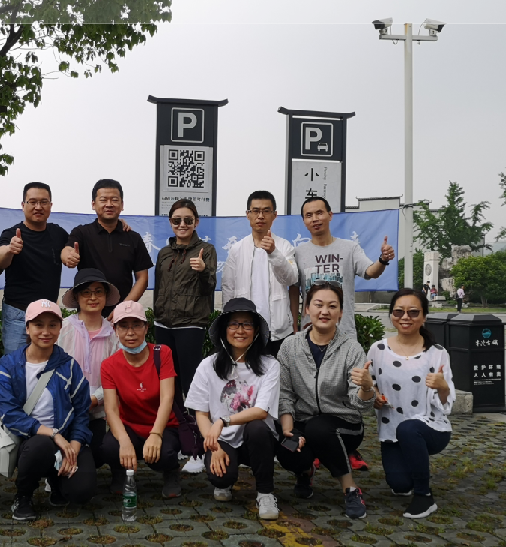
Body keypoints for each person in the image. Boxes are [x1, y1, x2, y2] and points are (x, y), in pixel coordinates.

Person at [276, 282, 376, 520]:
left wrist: (366, 387)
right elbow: (284, 392)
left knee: (319, 428)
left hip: (345, 425)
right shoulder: (290, 346)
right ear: (307, 309)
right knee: (287, 450)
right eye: (318, 305)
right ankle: (305, 471)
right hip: (303, 421)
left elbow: (360, 404)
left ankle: (350, 489)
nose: (325, 311)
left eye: (332, 306)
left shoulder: (351, 349)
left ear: (340, 312)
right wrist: (289, 430)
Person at [0, 299, 96, 521]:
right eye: (38, 325)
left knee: (81, 492)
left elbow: (81, 411)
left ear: (60, 328)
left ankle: (57, 482)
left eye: (52, 325)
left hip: (67, 438)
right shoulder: (8, 365)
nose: (45, 331)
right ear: (27, 328)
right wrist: (53, 434)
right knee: (40, 446)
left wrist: (74, 448)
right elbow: (10, 414)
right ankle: (23, 496)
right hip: (29, 441)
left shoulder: (69, 365)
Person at [184, 298, 282, 521]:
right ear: (224, 330)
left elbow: (261, 411)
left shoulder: (270, 365)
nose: (240, 330)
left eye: (247, 324)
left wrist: (222, 420)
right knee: (220, 478)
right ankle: (225, 480)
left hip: (255, 439)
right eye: (234, 324)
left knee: (257, 428)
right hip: (222, 439)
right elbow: (201, 413)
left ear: (256, 331)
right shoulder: (208, 365)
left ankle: (265, 493)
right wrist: (214, 445)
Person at [368, 289, 455, 519]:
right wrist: (374, 395)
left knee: (409, 429)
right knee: (399, 485)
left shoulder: (437, 353)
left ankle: (424, 497)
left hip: (431, 427)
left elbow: (446, 404)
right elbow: (370, 384)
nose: (405, 317)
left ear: (424, 316)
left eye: (413, 312)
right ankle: (410, 469)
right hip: (391, 429)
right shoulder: (378, 349)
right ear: (391, 315)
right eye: (399, 311)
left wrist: (443, 387)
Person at [153, 199, 218, 475]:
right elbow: (158, 288)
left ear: (196, 222)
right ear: (170, 223)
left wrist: (203, 271)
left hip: (190, 325)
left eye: (188, 220)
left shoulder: (206, 250)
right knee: (168, 385)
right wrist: (156, 316)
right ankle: (180, 440)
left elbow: (210, 286)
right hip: (163, 325)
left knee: (192, 387)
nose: (182, 225)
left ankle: (198, 448)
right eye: (177, 220)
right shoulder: (164, 253)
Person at [99, 301, 183, 498]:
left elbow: (167, 397)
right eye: (123, 326)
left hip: (163, 425)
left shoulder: (162, 353)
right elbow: (111, 410)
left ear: (146, 328)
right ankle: (120, 472)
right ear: (115, 330)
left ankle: (171, 472)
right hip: (130, 426)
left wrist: (156, 434)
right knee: (110, 447)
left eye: (136, 325)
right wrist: (124, 441)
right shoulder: (109, 365)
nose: (130, 332)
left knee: (164, 455)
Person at [0, 182, 69, 355]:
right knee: (15, 363)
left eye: (44, 202)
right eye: (32, 202)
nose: (38, 207)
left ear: (50, 205)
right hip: (18, 313)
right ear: (23, 205)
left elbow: (74, 244)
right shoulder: (11, 234)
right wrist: (10, 249)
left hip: (48, 314)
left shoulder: (58, 233)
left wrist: (117, 222)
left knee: (47, 364)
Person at [295, 196, 394, 339]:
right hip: (310, 333)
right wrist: (295, 325)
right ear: (304, 221)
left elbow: (371, 271)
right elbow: (293, 290)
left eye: (319, 213)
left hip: (344, 333)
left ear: (330, 215)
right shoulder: (298, 253)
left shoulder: (349, 248)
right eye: (309, 215)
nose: (315, 219)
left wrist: (383, 259)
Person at [221, 191, 298, 355]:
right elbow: (228, 287)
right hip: (246, 329)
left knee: (278, 371)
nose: (260, 216)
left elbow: (291, 279)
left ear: (274, 215)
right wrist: (229, 322)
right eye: (255, 211)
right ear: (248, 214)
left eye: (266, 211)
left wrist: (274, 253)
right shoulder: (237, 249)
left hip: (278, 330)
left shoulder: (284, 246)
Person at [58, 268, 122, 464]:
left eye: (98, 292)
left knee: (97, 455)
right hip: (64, 409)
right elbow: (52, 369)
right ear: (77, 297)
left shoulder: (114, 334)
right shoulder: (63, 329)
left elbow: (118, 375)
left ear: (105, 296)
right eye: (86, 292)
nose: (93, 297)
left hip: (99, 412)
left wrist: (95, 399)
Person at [61, 179, 154, 312]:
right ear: (93, 204)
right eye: (103, 200)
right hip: (89, 313)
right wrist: (68, 257)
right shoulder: (81, 232)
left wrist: (123, 308)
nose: (109, 204)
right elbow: (67, 250)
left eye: (114, 200)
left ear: (122, 205)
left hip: (122, 315)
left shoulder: (134, 238)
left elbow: (142, 278)